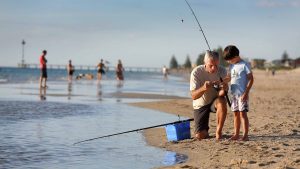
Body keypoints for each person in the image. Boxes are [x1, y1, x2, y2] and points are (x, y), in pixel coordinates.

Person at [190, 51, 228, 140]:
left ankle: (218, 132)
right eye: (211, 65)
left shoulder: (222, 71)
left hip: (214, 101)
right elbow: (193, 96)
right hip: (200, 104)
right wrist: (203, 88)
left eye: (216, 65)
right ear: (205, 63)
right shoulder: (196, 72)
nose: (214, 68)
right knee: (200, 136)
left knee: (222, 101)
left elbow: (221, 94)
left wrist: (224, 89)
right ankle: (204, 129)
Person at [223, 45, 254, 141]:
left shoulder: (244, 65)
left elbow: (251, 79)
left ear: (236, 56)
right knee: (235, 114)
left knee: (242, 114)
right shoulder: (232, 65)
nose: (229, 62)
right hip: (233, 94)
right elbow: (229, 78)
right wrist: (221, 81)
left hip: (242, 94)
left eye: (230, 60)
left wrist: (246, 93)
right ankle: (236, 134)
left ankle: (245, 135)